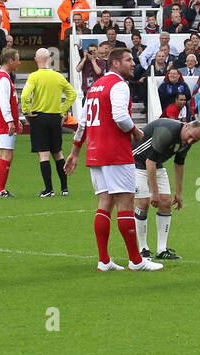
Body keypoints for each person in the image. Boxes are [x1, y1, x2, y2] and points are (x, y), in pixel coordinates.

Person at [65, 47, 162, 271]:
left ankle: (104, 260)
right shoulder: (119, 85)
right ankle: (136, 261)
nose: (132, 63)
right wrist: (136, 131)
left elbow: (82, 123)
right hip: (116, 153)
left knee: (104, 204)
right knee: (126, 204)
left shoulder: (95, 86)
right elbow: (120, 116)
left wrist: (76, 151)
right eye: (128, 60)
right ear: (115, 63)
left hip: (95, 153)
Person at [133, 117, 200, 261]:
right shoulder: (167, 132)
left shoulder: (187, 140)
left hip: (156, 162)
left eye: (195, 140)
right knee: (143, 203)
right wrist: (154, 193)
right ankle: (143, 249)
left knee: (166, 202)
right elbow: (150, 162)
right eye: (191, 137)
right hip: (136, 160)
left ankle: (162, 249)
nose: (191, 141)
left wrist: (178, 193)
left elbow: (179, 164)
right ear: (186, 127)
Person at [19, 48, 77, 198]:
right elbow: (72, 94)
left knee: (44, 154)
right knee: (58, 152)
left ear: (36, 59)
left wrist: (26, 111)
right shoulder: (58, 77)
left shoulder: (34, 77)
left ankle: (49, 189)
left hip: (39, 117)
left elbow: (25, 95)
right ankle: (64, 188)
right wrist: (63, 111)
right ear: (49, 60)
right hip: (55, 117)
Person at [0, 47, 22, 197]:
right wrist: (10, 121)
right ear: (10, 61)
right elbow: (4, 102)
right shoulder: (3, 78)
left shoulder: (2, 77)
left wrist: (16, 120)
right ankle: (0, 189)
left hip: (1, 120)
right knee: (7, 154)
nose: (19, 62)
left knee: (1, 154)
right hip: (3, 122)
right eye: (17, 59)